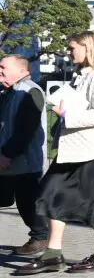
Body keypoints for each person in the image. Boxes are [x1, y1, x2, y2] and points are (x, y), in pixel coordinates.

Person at [16, 31, 94, 275]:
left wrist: (66, 115)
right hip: (77, 148)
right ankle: (53, 253)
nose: (68, 52)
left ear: (87, 48)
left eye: (72, 48)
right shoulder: (83, 75)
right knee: (49, 195)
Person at [0, 56, 49, 258]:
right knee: (20, 200)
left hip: (25, 161)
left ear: (22, 71)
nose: (0, 71)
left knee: (27, 201)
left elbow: (26, 129)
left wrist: (6, 154)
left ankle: (41, 237)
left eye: (3, 67)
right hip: (10, 160)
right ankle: (40, 236)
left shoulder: (30, 91)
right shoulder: (9, 92)